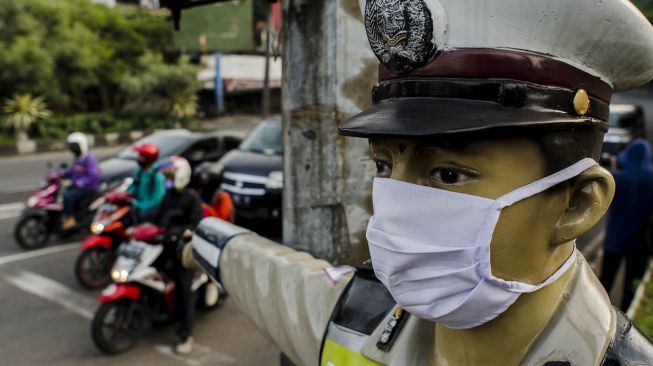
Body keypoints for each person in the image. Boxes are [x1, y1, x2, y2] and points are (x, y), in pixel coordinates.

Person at [186, 1, 653, 365]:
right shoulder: (356, 320)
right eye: (384, 167)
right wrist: (200, 237)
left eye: (448, 174)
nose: (396, 209)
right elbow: (272, 279)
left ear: (576, 205)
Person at [154, 156, 204, 355]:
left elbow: (196, 224)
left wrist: (181, 231)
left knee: (184, 289)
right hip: (166, 246)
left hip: (183, 251)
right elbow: (159, 218)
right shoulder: (168, 196)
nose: (167, 179)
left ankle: (186, 334)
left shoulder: (192, 198)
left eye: (170, 175)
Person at [601, 139, 653, 311]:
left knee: (605, 282)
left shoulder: (618, 178)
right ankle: (625, 317)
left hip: (614, 242)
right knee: (631, 286)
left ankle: (600, 313)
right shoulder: (650, 178)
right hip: (640, 245)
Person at [62, 132, 101, 230]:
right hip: (78, 185)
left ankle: (70, 219)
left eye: (74, 146)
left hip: (89, 187)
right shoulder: (78, 158)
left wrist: (81, 182)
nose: (72, 149)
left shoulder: (89, 158)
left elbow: (94, 175)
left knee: (68, 196)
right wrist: (59, 174)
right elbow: (72, 170)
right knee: (65, 193)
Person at [129, 143, 166, 223]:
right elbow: (133, 187)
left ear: (148, 159)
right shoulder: (139, 172)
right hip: (138, 204)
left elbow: (157, 198)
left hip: (149, 208)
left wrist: (141, 205)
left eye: (141, 156)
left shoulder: (157, 175)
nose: (138, 158)